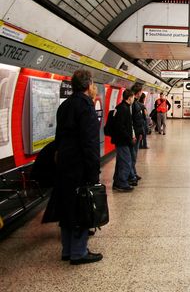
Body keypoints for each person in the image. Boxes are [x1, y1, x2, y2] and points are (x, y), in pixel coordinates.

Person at [47, 69, 102, 265]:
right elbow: (89, 143)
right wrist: (94, 171)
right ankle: (79, 253)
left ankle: (67, 250)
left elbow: (59, 137)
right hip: (79, 165)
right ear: (89, 85)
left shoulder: (65, 106)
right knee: (81, 207)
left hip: (64, 163)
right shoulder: (86, 108)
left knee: (67, 206)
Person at [111, 90, 136, 192]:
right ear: (129, 97)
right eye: (133, 97)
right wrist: (129, 138)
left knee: (121, 161)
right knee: (126, 161)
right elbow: (121, 127)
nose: (133, 99)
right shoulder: (124, 109)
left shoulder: (120, 107)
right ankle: (122, 183)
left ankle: (117, 182)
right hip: (123, 140)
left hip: (121, 140)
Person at [129, 85, 145, 184]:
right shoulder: (133, 104)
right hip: (135, 133)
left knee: (134, 155)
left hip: (138, 133)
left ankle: (133, 173)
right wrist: (135, 134)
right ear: (138, 92)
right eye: (140, 92)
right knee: (133, 155)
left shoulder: (135, 104)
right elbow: (132, 121)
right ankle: (131, 175)